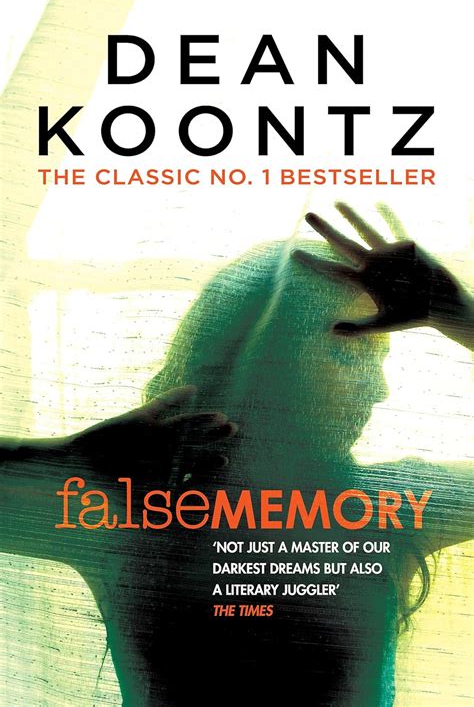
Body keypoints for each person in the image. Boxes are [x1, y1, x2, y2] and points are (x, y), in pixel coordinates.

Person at [1, 204, 472, 706]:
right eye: (349, 352)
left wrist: (456, 311)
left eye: (379, 358)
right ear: (264, 361)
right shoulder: (122, 508)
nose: (379, 390)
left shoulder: (389, 508)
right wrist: (68, 459)